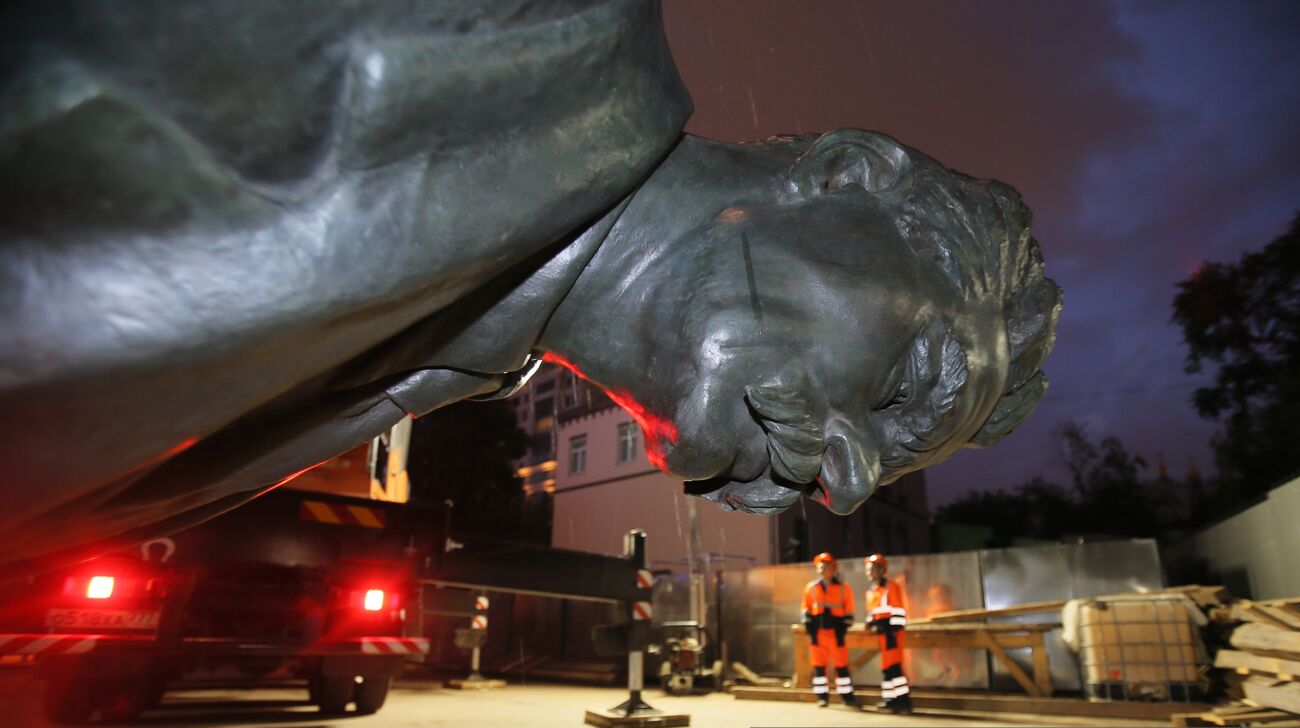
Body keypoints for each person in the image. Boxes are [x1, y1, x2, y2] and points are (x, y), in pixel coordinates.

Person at [1, 0, 1061, 573]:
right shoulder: (531, 24)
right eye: (904, 382)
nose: (848, 474)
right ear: (845, 174)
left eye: (870, 470)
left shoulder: (427, 375)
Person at [802, 553, 859, 708]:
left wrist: (842, 628)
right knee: (819, 669)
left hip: (836, 635)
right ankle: (822, 697)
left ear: (833, 568)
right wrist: (809, 625)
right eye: (820, 565)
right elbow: (805, 610)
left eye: (826, 565)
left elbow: (849, 613)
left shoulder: (843, 589)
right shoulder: (811, 588)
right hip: (818, 635)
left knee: (841, 668)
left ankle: (847, 698)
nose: (822, 568)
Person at [865, 553, 912, 713]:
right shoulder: (873, 591)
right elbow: (874, 612)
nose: (868, 573)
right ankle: (890, 700)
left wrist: (893, 633)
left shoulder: (890, 587)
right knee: (887, 668)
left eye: (871, 569)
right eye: (867, 569)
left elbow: (898, 611)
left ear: (880, 570)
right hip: (883, 634)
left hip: (892, 634)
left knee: (894, 668)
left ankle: (903, 701)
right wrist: (870, 621)